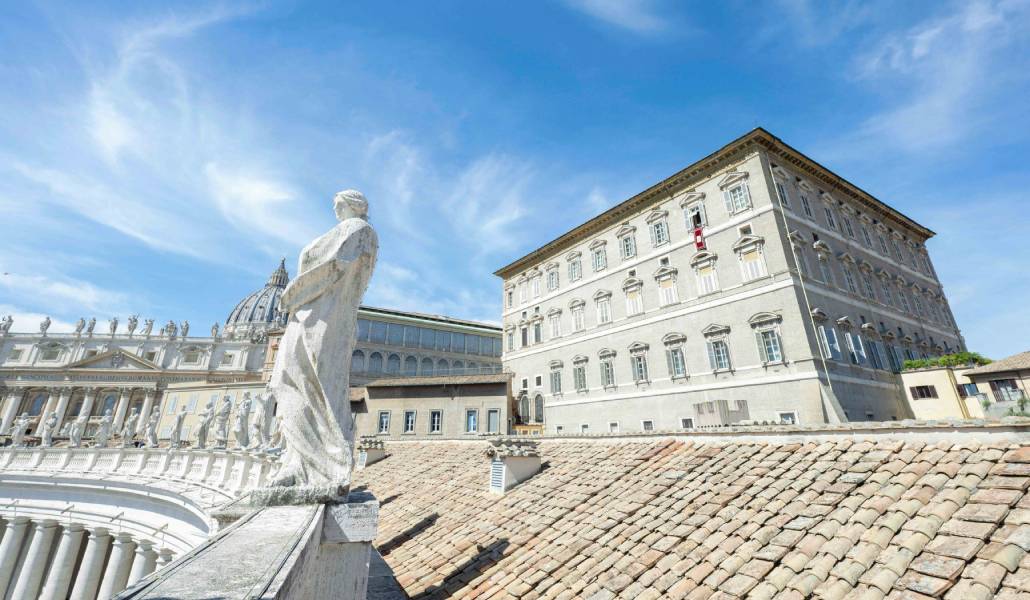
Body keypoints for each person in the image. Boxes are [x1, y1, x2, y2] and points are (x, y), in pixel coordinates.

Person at [265, 190, 377, 495]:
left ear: (351, 205)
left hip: (322, 318)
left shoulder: (359, 231)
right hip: (309, 314)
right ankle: (298, 462)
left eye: (337, 203)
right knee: (293, 382)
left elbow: (333, 267)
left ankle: (323, 462)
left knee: (315, 385)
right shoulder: (353, 231)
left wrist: (295, 292)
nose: (333, 207)